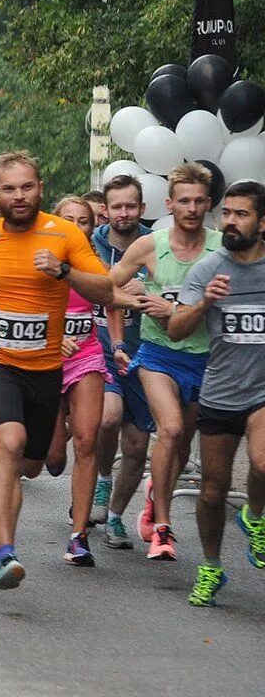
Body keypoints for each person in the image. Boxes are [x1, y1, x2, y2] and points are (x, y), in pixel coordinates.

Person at [0, 152, 124, 589]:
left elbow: (105, 289)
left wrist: (64, 271)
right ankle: (5, 552)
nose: (18, 196)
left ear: (40, 188)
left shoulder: (64, 234)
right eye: (9, 189)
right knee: (6, 443)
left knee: (34, 463)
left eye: (26, 187)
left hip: (46, 368)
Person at [107, 162, 221, 561]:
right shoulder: (149, 245)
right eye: (183, 201)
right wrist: (140, 301)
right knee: (169, 430)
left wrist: (174, 306)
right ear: (169, 204)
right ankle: (164, 528)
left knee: (182, 447)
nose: (191, 208)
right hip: (158, 356)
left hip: (205, 357)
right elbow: (108, 290)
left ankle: (156, 496)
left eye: (199, 201)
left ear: (209, 205)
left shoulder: (221, 248)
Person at [166, 180, 265, 606]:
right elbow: (175, 329)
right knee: (211, 491)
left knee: (263, 460)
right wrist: (204, 303)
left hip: (262, 391)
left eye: (241, 214)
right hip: (221, 392)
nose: (229, 222)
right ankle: (211, 566)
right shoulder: (208, 269)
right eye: (226, 213)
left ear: (262, 223)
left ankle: (255, 516)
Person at [48, 196, 116, 566]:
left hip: (86, 357)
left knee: (88, 440)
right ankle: (55, 432)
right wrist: (52, 333)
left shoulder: (93, 266)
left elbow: (111, 301)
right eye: (68, 219)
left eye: (84, 221)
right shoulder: (39, 261)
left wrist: (117, 343)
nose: (76, 226)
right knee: (54, 460)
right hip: (43, 358)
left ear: (93, 226)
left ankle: (79, 536)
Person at [90, 174, 154, 548]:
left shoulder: (155, 246)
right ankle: (101, 478)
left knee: (136, 447)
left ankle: (115, 518)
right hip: (99, 351)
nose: (124, 213)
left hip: (145, 354)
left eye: (131, 206)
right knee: (108, 416)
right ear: (106, 209)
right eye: (117, 206)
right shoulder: (91, 248)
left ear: (142, 209)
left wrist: (149, 288)